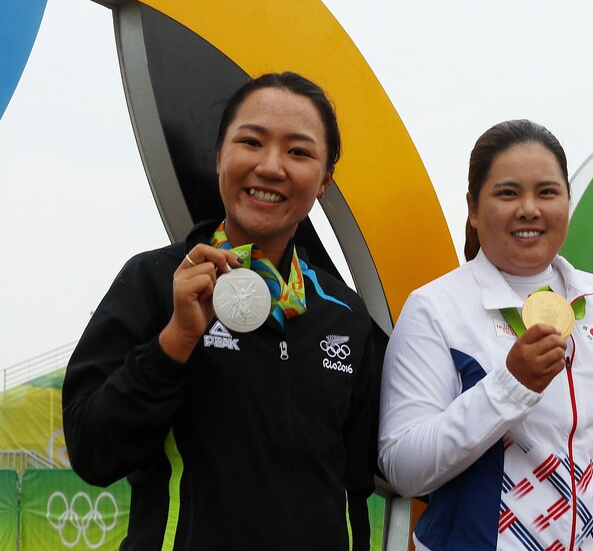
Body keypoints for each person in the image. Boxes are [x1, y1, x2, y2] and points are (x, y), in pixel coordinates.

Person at [62, 72, 376, 550]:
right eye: (251, 141)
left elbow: (353, 488)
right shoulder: (153, 282)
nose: (271, 167)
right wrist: (175, 341)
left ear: (324, 182)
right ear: (219, 157)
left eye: (298, 152)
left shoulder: (345, 315)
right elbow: (93, 451)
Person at [379, 120, 593, 550]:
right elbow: (403, 466)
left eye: (548, 192)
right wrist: (509, 387)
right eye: (508, 193)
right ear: (474, 208)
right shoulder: (436, 309)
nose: (530, 209)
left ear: (567, 203)